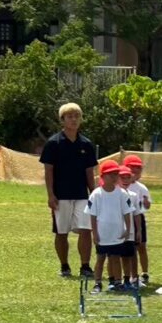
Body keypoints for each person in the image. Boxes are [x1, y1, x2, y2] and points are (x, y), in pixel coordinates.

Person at [40, 103, 98, 279]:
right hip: (61, 196)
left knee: (86, 229)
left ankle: (85, 266)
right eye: (69, 116)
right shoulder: (53, 143)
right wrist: (51, 195)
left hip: (82, 195)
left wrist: (94, 195)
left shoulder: (86, 144)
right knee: (61, 232)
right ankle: (65, 266)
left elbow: (90, 172)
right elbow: (48, 171)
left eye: (76, 116)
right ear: (62, 120)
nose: (73, 119)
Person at [84, 160, 132, 294]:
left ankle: (118, 282)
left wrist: (127, 230)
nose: (114, 177)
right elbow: (92, 215)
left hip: (116, 233)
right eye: (110, 174)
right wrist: (95, 233)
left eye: (116, 174)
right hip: (102, 233)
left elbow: (127, 212)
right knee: (100, 259)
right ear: (102, 177)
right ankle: (98, 283)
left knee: (116, 259)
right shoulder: (96, 194)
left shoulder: (122, 193)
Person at [122, 155, 152, 284]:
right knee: (128, 248)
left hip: (138, 218)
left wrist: (146, 202)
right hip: (123, 218)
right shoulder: (120, 184)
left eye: (137, 169)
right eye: (131, 169)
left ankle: (144, 272)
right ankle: (128, 275)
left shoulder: (141, 187)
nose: (134, 172)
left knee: (141, 246)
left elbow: (147, 204)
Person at [118, 165, 142, 289]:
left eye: (128, 177)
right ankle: (116, 280)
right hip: (116, 231)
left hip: (130, 232)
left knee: (129, 255)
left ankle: (129, 279)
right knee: (114, 256)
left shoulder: (133, 195)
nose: (125, 180)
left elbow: (137, 214)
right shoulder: (114, 194)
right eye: (123, 177)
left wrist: (139, 231)